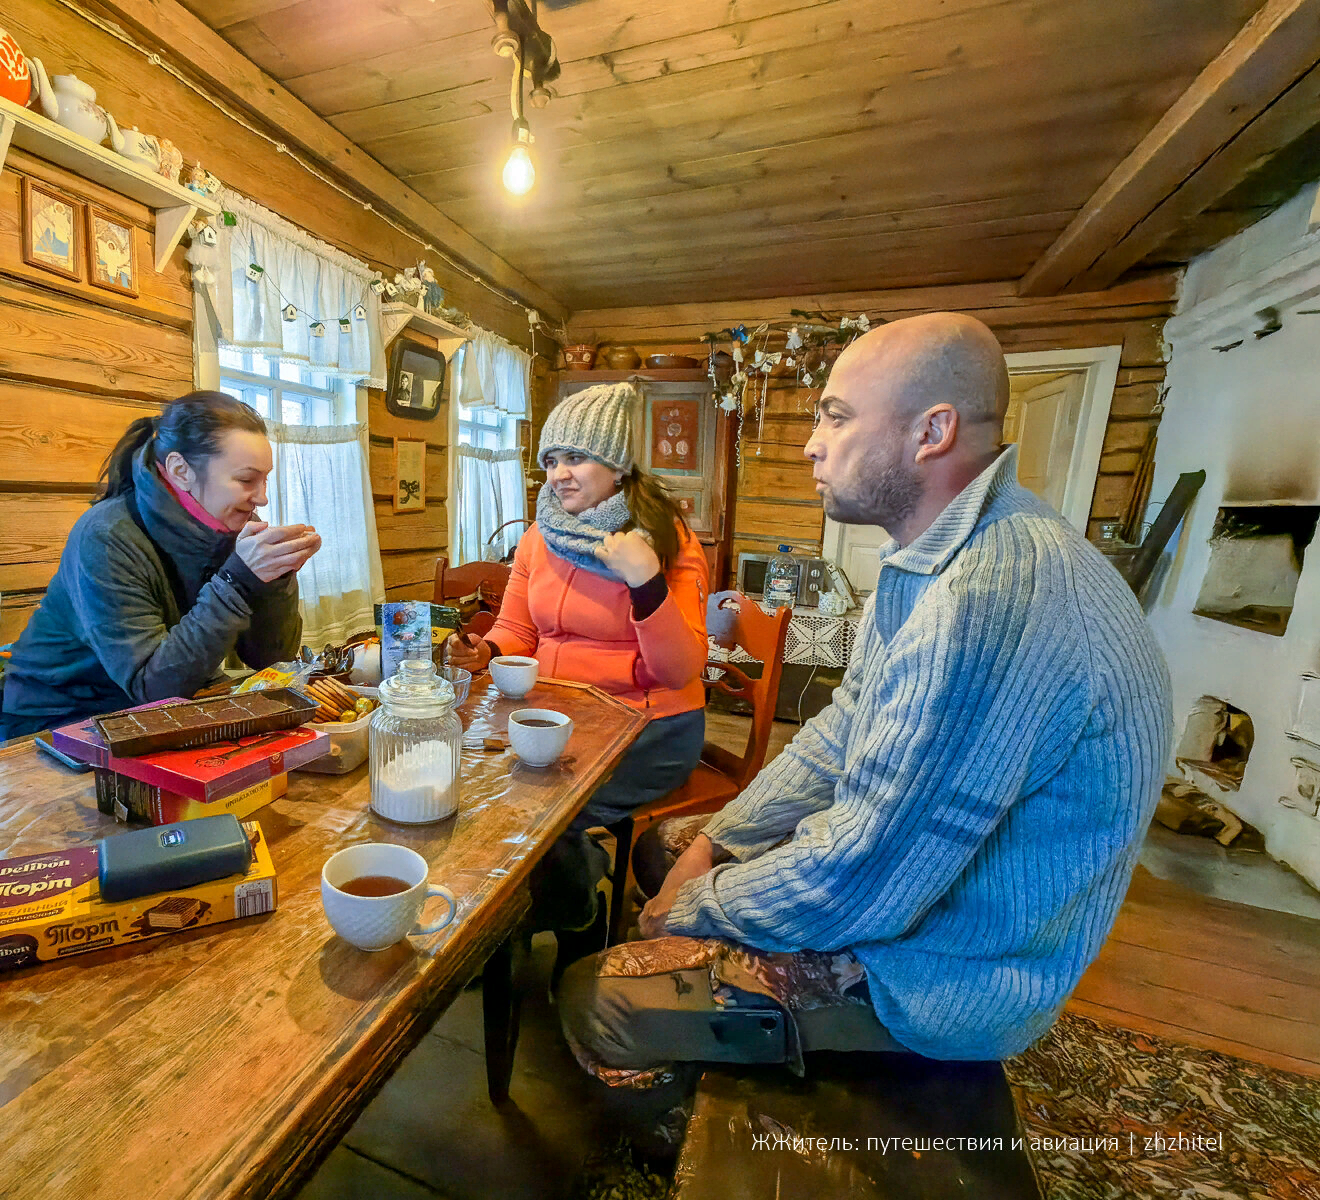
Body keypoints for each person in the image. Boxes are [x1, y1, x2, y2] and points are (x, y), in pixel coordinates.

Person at [558, 313, 1172, 1138]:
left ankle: (703, 1138)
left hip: (944, 971)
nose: (812, 443)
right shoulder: (936, 553)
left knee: (597, 1000)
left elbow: (861, 875)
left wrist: (693, 907)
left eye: (836, 415)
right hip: (913, 890)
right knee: (670, 845)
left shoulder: (988, 600)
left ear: (933, 431)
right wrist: (714, 847)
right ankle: (725, 1056)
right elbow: (841, 728)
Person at [446, 382, 710, 955]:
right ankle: (551, 892)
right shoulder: (539, 538)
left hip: (650, 727)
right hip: (561, 713)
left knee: (539, 808)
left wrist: (646, 583)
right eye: (551, 460)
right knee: (478, 786)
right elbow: (517, 628)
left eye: (577, 457)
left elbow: (679, 669)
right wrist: (485, 652)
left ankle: (572, 912)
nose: (560, 473)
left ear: (617, 466)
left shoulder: (665, 539)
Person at [0, 390, 321, 736]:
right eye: (246, 479)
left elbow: (272, 659)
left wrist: (274, 577)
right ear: (181, 470)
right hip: (65, 717)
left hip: (177, 700)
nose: (262, 497)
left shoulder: (230, 523)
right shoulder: (108, 536)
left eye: (265, 479)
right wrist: (237, 583)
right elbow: (151, 690)